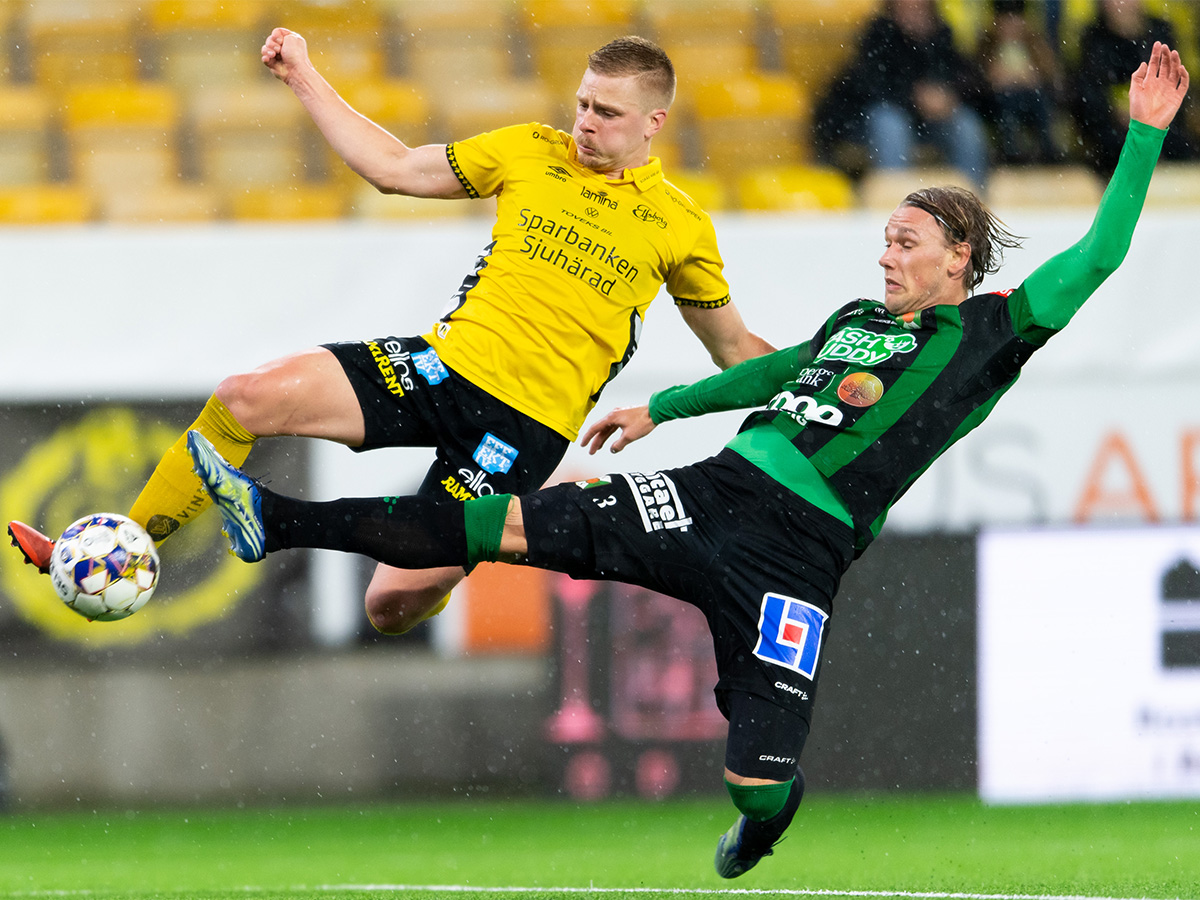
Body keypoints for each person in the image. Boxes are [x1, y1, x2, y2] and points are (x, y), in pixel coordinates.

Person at [189, 44, 1185, 878]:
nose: (886, 256)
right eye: (885, 238)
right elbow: (773, 372)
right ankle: (274, 519)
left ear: (958, 258)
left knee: (755, 778)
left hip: (799, 558)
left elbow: (1099, 254)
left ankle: (765, 820)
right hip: (711, 493)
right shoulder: (854, 321)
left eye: (906, 242)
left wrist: (1142, 133)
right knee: (495, 524)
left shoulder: (996, 333)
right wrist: (658, 408)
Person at [7, 32, 772, 634]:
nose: (586, 123)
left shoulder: (679, 225)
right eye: (582, 103)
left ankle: (474, 539)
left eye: (607, 113)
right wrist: (302, 74)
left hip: (520, 429)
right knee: (246, 397)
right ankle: (119, 547)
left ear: (654, 123)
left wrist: (818, 373)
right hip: (439, 368)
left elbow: (734, 350)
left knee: (389, 607)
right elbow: (395, 168)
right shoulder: (530, 151)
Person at [814, 0, 991, 186]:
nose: (913, 5)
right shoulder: (878, 36)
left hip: (928, 124)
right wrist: (915, 98)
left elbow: (967, 79)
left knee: (965, 124)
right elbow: (870, 86)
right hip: (870, 125)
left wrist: (947, 98)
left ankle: (971, 195)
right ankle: (896, 196)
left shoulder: (941, 36)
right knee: (890, 123)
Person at [1071, 0, 1196, 174]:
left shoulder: (1160, 32)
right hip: (1113, 133)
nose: (1123, 4)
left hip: (1161, 125)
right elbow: (1089, 95)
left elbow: (1176, 82)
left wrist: (1152, 114)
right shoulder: (1094, 38)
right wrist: (1124, 112)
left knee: (1177, 144)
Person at [978, 0, 1064, 165]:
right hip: (1000, 99)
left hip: (1030, 96)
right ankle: (1010, 149)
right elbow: (982, 77)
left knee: (1039, 101)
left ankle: (1047, 147)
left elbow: (1048, 73)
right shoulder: (987, 45)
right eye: (1006, 21)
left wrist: (1030, 77)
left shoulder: (1035, 44)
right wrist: (996, 79)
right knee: (1007, 100)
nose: (1011, 27)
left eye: (1015, 20)